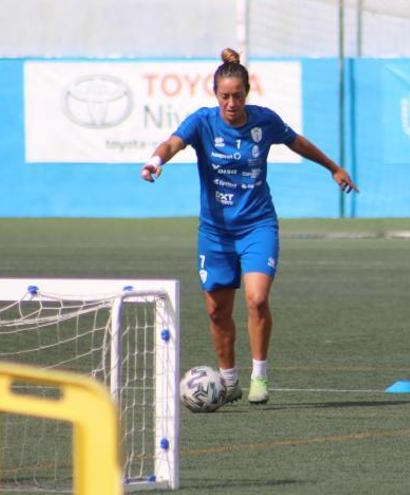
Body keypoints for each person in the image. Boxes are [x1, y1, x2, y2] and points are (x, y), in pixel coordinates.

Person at [141, 48, 358, 405]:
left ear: (247, 94)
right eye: (225, 96)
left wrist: (333, 167)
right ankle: (229, 382)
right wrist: (155, 161)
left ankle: (260, 376)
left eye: (237, 96)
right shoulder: (202, 122)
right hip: (215, 234)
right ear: (216, 95)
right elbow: (172, 143)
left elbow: (297, 142)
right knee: (217, 311)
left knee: (257, 299)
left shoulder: (263, 122)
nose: (231, 103)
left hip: (258, 225)